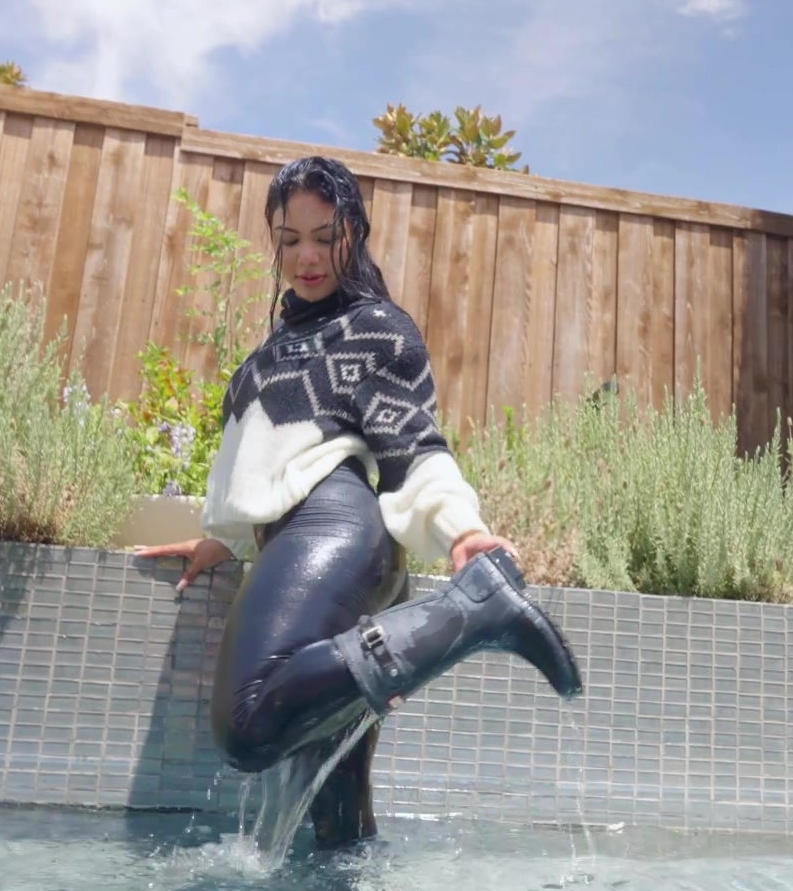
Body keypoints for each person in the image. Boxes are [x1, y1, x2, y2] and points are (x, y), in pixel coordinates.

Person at [135, 155, 584, 851]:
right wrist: (219, 537)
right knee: (334, 809)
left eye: (326, 234)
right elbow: (268, 470)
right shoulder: (275, 348)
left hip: (334, 531)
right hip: (309, 541)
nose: (307, 256)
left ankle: (473, 615)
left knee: (250, 726)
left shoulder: (377, 330)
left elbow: (411, 446)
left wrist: (462, 531)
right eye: (289, 240)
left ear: (357, 231)